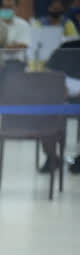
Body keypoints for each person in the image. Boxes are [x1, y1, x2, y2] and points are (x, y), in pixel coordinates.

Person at [41, 38, 80, 174]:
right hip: (60, 92)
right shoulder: (67, 47)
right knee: (45, 111)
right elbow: (49, 71)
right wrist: (59, 86)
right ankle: (51, 156)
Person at [0, 0, 31, 67]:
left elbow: (23, 45)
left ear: (16, 8)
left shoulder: (23, 24)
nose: (5, 9)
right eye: (3, 7)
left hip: (16, 62)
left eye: (9, 7)